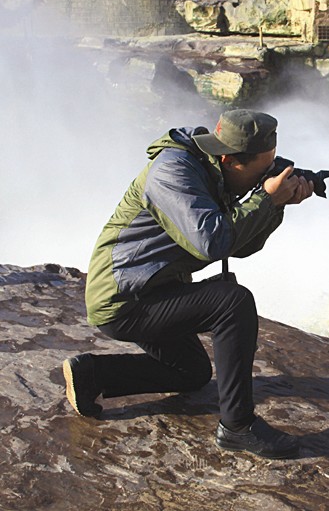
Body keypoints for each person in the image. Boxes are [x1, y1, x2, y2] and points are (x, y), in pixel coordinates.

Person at [63, 109, 314, 459]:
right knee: (233, 302)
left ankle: (94, 374)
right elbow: (210, 241)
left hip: (154, 289)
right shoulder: (174, 171)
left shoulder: (216, 171)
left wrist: (275, 205)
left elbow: (239, 247)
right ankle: (238, 427)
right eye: (261, 171)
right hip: (124, 298)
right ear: (229, 159)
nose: (263, 180)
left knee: (192, 372)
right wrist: (265, 199)